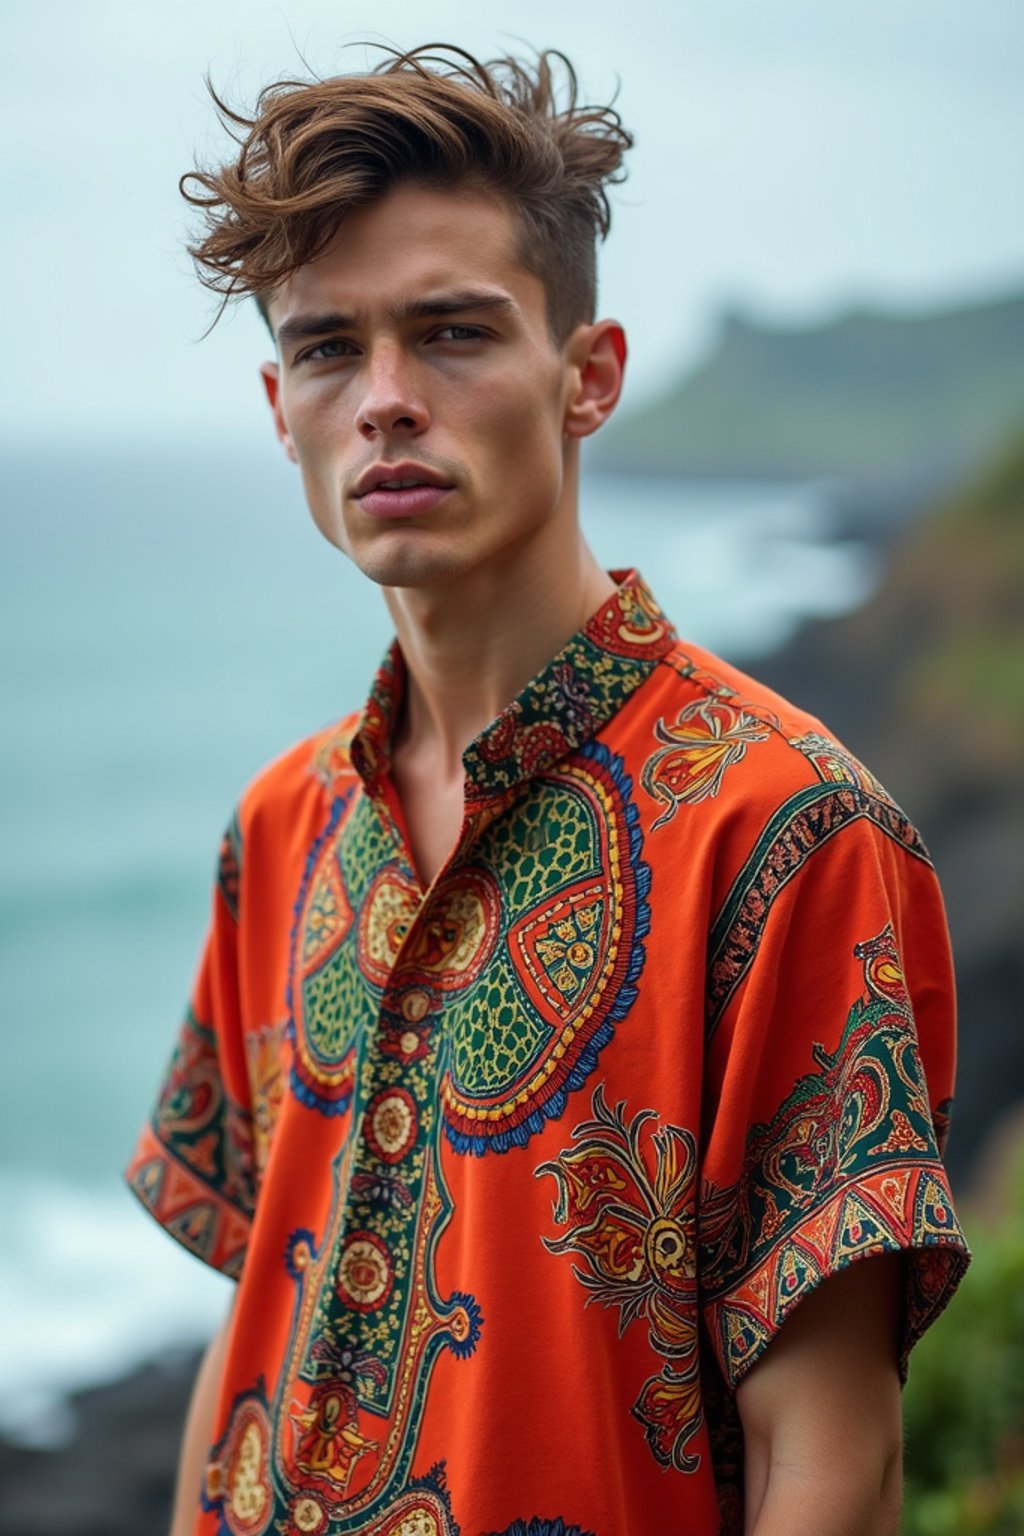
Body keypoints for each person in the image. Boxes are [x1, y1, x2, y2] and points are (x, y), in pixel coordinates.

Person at [126, 44, 970, 1536]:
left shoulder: (785, 831)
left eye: (452, 332)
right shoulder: (278, 829)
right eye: (329, 350)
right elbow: (260, 1308)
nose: (385, 400)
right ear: (279, 409)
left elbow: (832, 1461)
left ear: (588, 378)